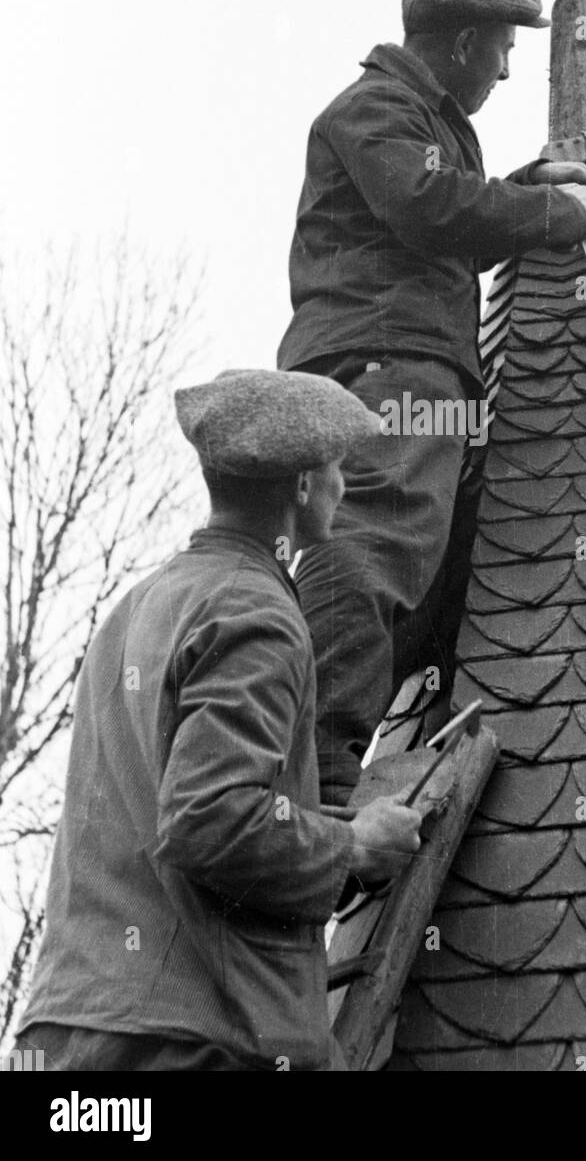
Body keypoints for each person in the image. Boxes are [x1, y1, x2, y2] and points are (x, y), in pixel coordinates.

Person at [277, 0, 586, 806]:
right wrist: (551, 215)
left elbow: (436, 224)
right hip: (384, 366)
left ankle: (325, 768)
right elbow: (428, 211)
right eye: (502, 50)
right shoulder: (376, 110)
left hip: (403, 365)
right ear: (464, 43)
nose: (507, 72)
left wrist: (514, 191)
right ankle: (318, 783)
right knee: (374, 544)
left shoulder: (420, 120)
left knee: (411, 563)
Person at [14, 369, 422, 1072]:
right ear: (300, 485)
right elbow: (211, 818)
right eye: (335, 469)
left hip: (71, 1033)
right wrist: (352, 845)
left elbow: (167, 808)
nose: (343, 487)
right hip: (191, 1038)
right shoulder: (254, 611)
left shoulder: (138, 609)